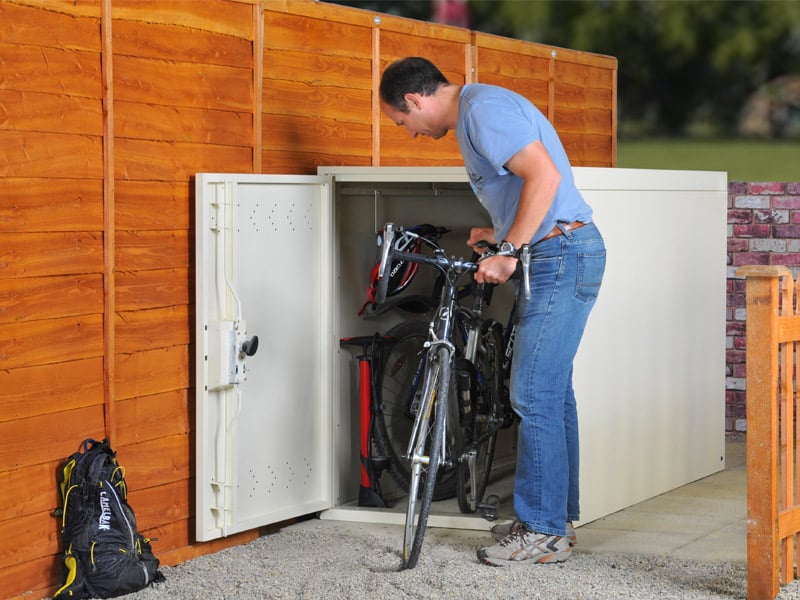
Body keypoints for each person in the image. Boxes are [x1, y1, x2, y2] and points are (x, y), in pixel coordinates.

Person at [379, 57, 606, 567]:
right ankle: (553, 523)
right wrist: (499, 235)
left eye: (403, 123)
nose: (411, 133)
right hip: (556, 251)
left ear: (414, 100)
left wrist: (510, 251)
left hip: (560, 254)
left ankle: (543, 532)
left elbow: (542, 177)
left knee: (533, 391)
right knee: (551, 391)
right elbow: (527, 184)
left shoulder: (481, 111)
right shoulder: (478, 111)